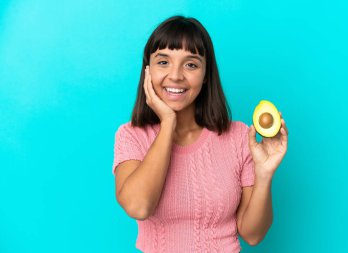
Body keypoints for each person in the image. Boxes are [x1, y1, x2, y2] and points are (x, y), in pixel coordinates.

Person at [112, 15, 288, 253]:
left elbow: (253, 234)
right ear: (147, 71)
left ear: (206, 75)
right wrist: (167, 123)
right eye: (163, 62)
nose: (175, 75)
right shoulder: (131, 136)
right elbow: (139, 206)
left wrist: (265, 174)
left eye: (191, 64)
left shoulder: (237, 136)